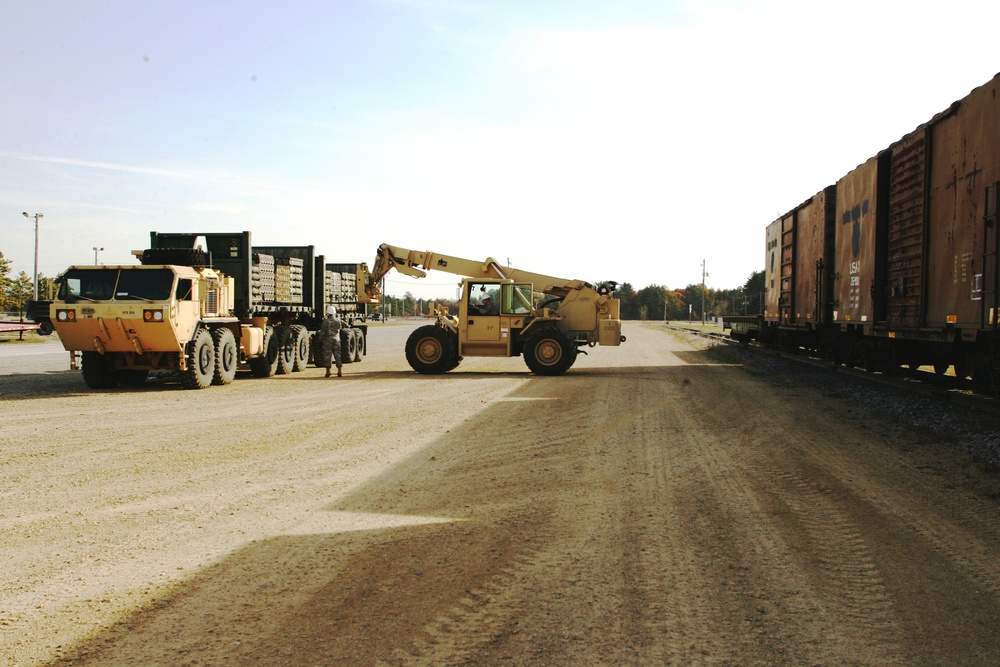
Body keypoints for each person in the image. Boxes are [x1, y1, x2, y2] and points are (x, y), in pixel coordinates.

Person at [314, 305, 344, 377]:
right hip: (337, 339)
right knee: (337, 355)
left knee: (328, 356)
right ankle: (339, 371)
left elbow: (323, 332)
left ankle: (328, 371)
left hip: (328, 340)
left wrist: (320, 340)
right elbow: (344, 326)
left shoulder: (326, 321)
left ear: (328, 313)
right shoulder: (338, 320)